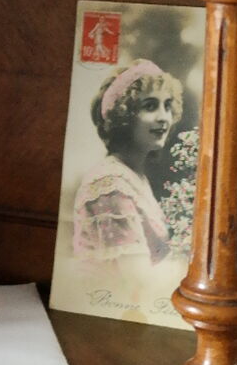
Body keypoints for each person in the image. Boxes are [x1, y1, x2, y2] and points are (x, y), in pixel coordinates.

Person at [72, 59, 184, 269]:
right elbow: (133, 281)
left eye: (167, 106)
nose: (164, 118)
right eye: (150, 106)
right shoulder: (110, 184)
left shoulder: (134, 177)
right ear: (124, 116)